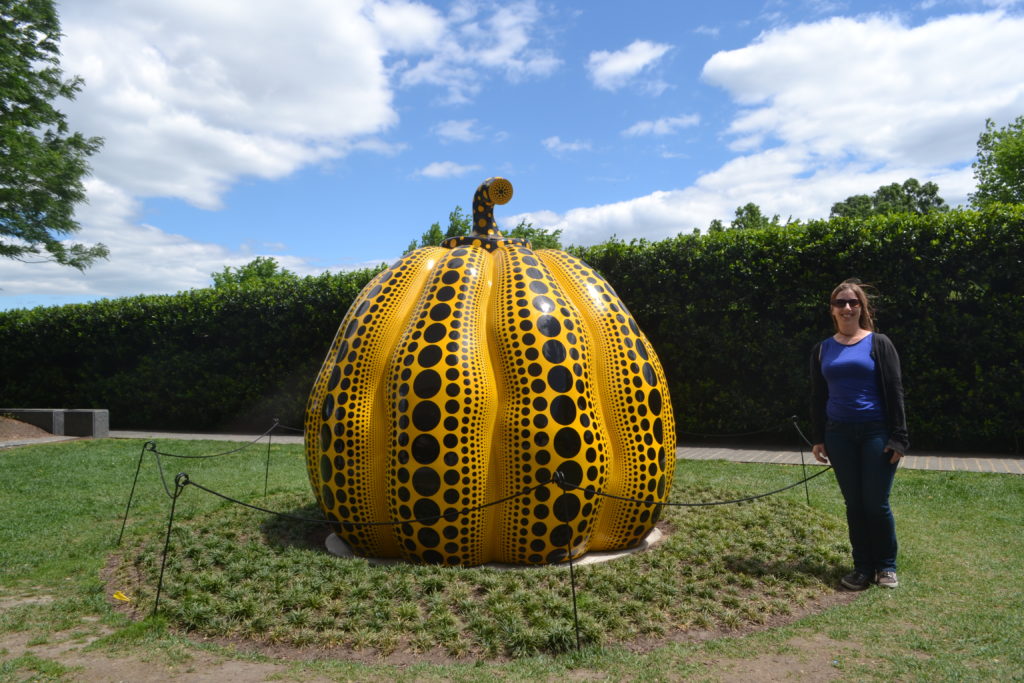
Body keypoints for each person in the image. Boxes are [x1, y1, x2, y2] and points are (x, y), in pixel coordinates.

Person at [810, 280, 909, 591]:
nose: (847, 307)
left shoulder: (879, 343)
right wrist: (818, 436)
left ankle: (887, 567)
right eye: (841, 303)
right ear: (832, 310)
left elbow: (895, 391)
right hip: (838, 434)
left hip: (875, 432)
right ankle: (863, 568)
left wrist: (900, 438)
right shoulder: (822, 349)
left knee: (875, 503)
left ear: (862, 308)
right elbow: (817, 395)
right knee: (854, 503)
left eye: (853, 302)